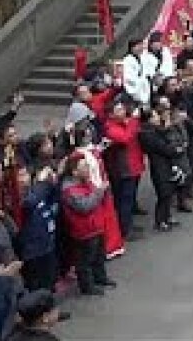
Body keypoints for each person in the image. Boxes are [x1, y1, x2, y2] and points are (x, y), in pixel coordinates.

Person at [59, 153, 116, 296]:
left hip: (96, 227)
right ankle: (87, 286)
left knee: (99, 255)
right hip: (84, 232)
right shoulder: (70, 190)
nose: (88, 168)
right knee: (84, 261)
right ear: (74, 172)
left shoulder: (85, 182)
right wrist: (100, 191)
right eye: (84, 166)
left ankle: (100, 277)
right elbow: (85, 206)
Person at [70, 121, 124, 260]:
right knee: (103, 220)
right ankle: (107, 248)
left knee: (108, 218)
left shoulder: (90, 150)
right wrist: (98, 189)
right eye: (86, 135)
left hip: (101, 185)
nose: (89, 136)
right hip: (97, 188)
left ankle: (111, 247)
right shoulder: (80, 155)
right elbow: (90, 174)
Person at [102, 101, 145, 240]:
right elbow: (125, 138)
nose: (123, 112)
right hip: (124, 170)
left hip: (133, 166)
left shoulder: (124, 124)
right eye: (119, 110)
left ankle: (128, 224)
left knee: (130, 199)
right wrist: (133, 120)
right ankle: (124, 229)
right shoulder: (110, 128)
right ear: (111, 114)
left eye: (123, 109)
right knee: (123, 201)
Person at [18, 166, 59, 293]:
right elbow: (31, 202)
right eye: (20, 175)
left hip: (47, 242)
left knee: (50, 280)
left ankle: (51, 310)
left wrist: (52, 181)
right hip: (32, 249)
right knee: (36, 285)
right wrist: (42, 182)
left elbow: (53, 196)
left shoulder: (35, 190)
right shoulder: (20, 197)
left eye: (26, 173)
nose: (25, 178)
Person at [121, 38, 150, 109]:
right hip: (132, 89)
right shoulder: (127, 60)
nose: (141, 47)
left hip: (143, 87)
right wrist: (140, 81)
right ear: (132, 47)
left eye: (141, 45)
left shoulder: (143, 58)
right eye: (138, 45)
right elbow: (128, 77)